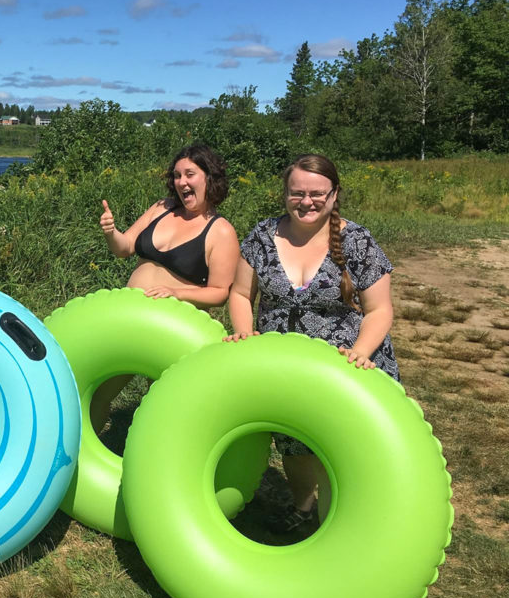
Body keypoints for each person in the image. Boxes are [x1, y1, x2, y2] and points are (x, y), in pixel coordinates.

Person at [225, 153, 398, 533]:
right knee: (292, 441)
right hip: (283, 365)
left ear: (334, 195)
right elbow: (240, 294)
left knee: (342, 447)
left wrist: (360, 353)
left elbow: (380, 310)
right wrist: (244, 333)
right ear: (285, 193)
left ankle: (347, 525)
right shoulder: (262, 235)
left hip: (347, 365)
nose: (307, 202)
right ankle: (303, 507)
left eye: (317, 193)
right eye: (297, 193)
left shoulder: (357, 241)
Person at [94, 141, 240, 428]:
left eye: (190, 174)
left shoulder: (221, 231)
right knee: (100, 389)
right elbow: (125, 248)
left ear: (209, 177)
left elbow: (220, 292)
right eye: (176, 175)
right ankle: (81, 455)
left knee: (164, 405)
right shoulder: (162, 208)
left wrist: (175, 292)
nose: (181, 182)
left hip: (172, 327)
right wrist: (111, 232)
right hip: (131, 316)